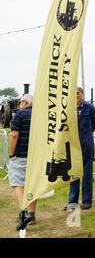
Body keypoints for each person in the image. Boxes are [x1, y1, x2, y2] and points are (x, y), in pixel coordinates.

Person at [65, 87, 95, 210]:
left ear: (83, 95)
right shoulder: (68, 109)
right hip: (73, 145)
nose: (76, 96)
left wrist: (86, 134)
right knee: (73, 173)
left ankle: (87, 201)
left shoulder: (89, 108)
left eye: (78, 93)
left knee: (87, 173)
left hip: (87, 144)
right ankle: (72, 202)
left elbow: (94, 122)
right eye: (74, 94)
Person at [8, 94, 37, 230]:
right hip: (35, 155)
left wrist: (11, 153)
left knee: (17, 183)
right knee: (32, 184)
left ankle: (23, 211)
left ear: (25, 103)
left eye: (20, 102)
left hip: (20, 154)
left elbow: (15, 135)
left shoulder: (19, 115)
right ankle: (32, 214)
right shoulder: (39, 115)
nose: (19, 104)